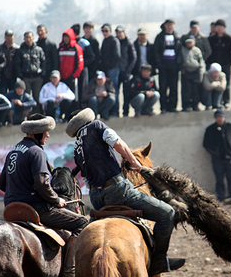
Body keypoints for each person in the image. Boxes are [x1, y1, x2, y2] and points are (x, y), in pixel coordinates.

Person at [65, 108, 185, 275]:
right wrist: (134, 162)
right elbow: (118, 143)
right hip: (118, 190)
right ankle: (159, 261)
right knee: (167, 213)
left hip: (96, 199)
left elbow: (84, 176)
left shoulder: (77, 146)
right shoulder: (97, 126)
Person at [0, 113, 88, 276]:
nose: (48, 134)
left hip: (11, 207)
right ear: (36, 132)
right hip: (36, 208)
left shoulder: (13, 151)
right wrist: (56, 199)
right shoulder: (36, 151)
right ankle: (69, 271)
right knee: (81, 222)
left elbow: (1, 184)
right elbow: (42, 184)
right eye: (45, 131)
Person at [203, 109, 231, 204]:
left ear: (224, 117)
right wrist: (214, 153)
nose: (219, 119)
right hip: (217, 159)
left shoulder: (230, 127)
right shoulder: (210, 129)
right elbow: (206, 144)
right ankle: (221, 198)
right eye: (217, 117)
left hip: (229, 158)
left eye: (221, 117)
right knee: (219, 179)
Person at [206, 19, 231, 108]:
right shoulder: (211, 39)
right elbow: (206, 52)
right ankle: (215, 102)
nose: (219, 29)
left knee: (226, 83)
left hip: (225, 65)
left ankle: (226, 101)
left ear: (224, 28)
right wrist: (208, 63)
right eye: (218, 27)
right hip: (214, 67)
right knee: (213, 83)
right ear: (215, 28)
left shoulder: (229, 39)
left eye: (221, 27)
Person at [15, 31, 46, 114]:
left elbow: (43, 62)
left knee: (37, 96)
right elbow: (17, 64)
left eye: (30, 37)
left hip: (37, 77)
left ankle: (37, 114)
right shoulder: (20, 50)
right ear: (24, 39)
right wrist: (21, 76)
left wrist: (42, 73)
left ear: (33, 38)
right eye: (26, 38)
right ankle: (27, 115)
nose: (28, 39)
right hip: (26, 77)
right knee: (26, 97)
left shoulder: (38, 49)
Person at [153, 18, 180, 113]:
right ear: (164, 26)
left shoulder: (176, 37)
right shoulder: (159, 37)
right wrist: (159, 63)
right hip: (163, 65)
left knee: (173, 87)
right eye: (167, 25)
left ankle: (172, 106)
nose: (169, 27)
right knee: (163, 87)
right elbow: (155, 51)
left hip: (173, 65)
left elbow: (179, 51)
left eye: (171, 25)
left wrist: (178, 64)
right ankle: (163, 107)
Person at [114, 25, 137, 117]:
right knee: (115, 92)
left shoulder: (128, 42)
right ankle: (115, 112)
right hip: (116, 70)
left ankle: (126, 112)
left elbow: (134, 58)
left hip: (125, 71)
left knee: (126, 93)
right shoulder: (114, 41)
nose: (119, 34)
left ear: (124, 33)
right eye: (117, 33)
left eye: (120, 32)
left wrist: (128, 70)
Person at [71, 23, 96, 107]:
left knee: (83, 89)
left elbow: (92, 57)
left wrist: (81, 64)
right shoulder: (72, 43)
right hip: (74, 70)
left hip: (84, 70)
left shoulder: (83, 42)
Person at [99, 23, 121, 113]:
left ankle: (115, 111)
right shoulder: (105, 41)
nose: (104, 33)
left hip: (113, 69)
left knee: (114, 89)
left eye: (106, 31)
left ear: (110, 31)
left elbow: (117, 56)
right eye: (103, 31)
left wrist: (109, 66)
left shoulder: (114, 40)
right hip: (107, 69)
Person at [57, 28, 84, 96]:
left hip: (72, 78)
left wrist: (73, 76)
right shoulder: (60, 48)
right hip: (61, 78)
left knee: (73, 95)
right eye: (64, 37)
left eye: (67, 37)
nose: (66, 39)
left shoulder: (76, 48)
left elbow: (80, 65)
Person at [180, 35, 203, 111]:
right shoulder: (183, 50)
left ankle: (195, 105)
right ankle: (187, 105)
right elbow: (180, 61)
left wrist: (200, 72)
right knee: (187, 90)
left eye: (191, 42)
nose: (189, 44)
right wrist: (182, 69)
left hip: (195, 72)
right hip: (186, 72)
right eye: (188, 42)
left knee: (195, 90)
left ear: (194, 42)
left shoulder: (197, 50)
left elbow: (201, 62)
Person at [0, 30, 20, 94]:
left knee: (13, 94)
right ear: (5, 37)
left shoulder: (17, 49)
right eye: (7, 36)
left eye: (10, 36)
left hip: (14, 76)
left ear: (13, 37)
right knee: (3, 94)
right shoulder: (0, 48)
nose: (9, 38)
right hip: (2, 76)